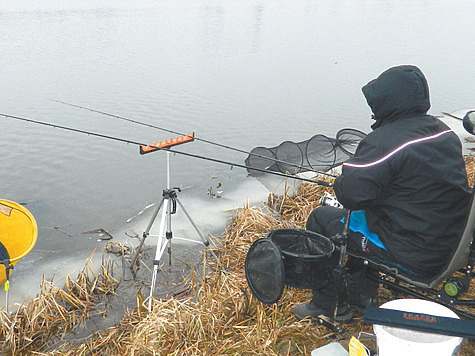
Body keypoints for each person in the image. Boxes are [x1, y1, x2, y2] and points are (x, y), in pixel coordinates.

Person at [293, 65, 472, 322]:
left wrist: (343, 181)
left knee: (321, 219)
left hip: (413, 254)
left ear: (388, 101)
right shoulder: (443, 132)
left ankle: (328, 306)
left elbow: (350, 196)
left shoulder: (384, 141)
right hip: (449, 244)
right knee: (361, 220)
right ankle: (360, 295)